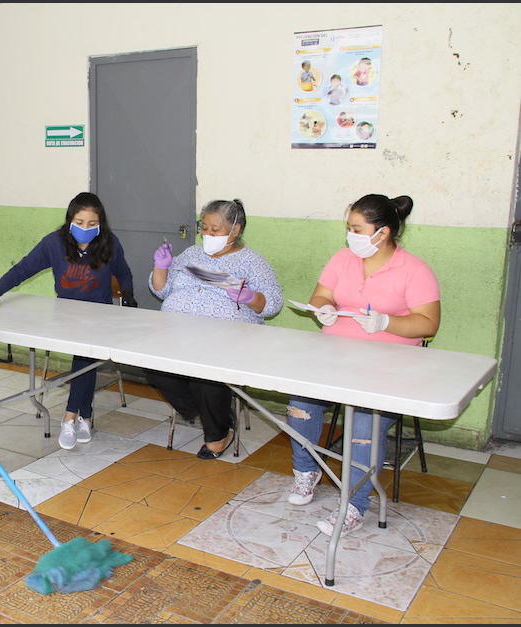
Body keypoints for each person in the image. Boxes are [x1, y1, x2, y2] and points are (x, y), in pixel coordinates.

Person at [285, 194, 440, 536]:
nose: (350, 235)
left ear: (381, 233)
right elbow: (320, 295)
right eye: (349, 228)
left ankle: (355, 504)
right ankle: (306, 473)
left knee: (363, 426)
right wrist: (322, 307)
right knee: (301, 404)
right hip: (335, 355)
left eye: (357, 228)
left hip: (389, 366)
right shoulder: (343, 259)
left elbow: (428, 323)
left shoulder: (414, 270)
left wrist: (387, 323)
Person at [0, 192, 136, 450]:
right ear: (69, 220)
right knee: (84, 360)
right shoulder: (54, 243)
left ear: (100, 224)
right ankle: (85, 415)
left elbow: (123, 273)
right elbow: (23, 268)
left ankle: (69, 416)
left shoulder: (110, 243)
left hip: (99, 316)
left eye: (91, 224)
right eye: (79, 222)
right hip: (65, 315)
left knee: (84, 358)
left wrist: (129, 298)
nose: (85, 228)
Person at [146, 199, 283, 459]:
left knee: (205, 374)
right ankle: (206, 410)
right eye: (204, 228)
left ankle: (218, 432)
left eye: (215, 229)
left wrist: (250, 297)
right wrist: (160, 267)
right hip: (178, 332)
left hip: (226, 338)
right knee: (151, 362)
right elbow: (161, 291)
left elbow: (273, 303)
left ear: (236, 229)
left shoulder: (252, 261)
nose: (207, 234)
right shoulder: (191, 255)